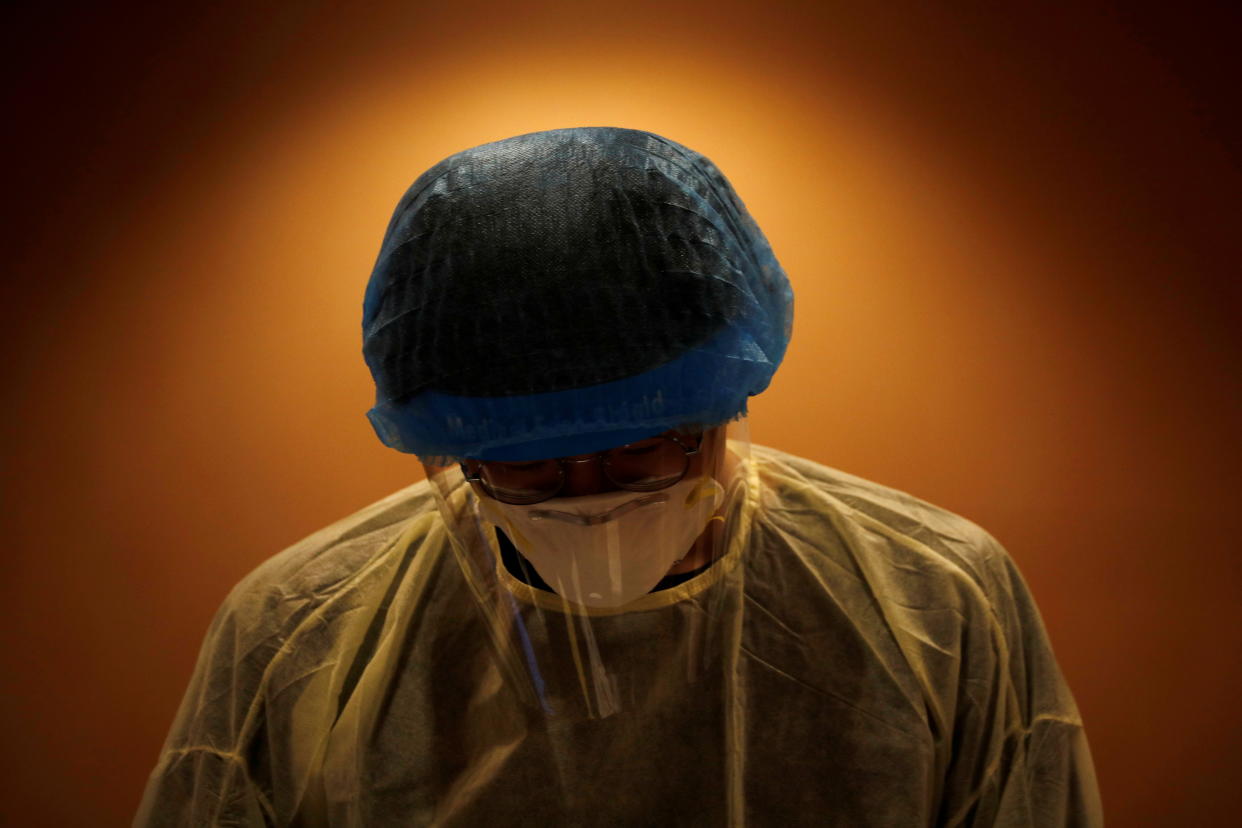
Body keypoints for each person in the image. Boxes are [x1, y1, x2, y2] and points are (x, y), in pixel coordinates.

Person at [136, 127, 1102, 826]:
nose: (590, 497)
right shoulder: (302, 634)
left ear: (724, 403)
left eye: (643, 448)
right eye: (531, 464)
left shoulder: (932, 600)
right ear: (454, 449)